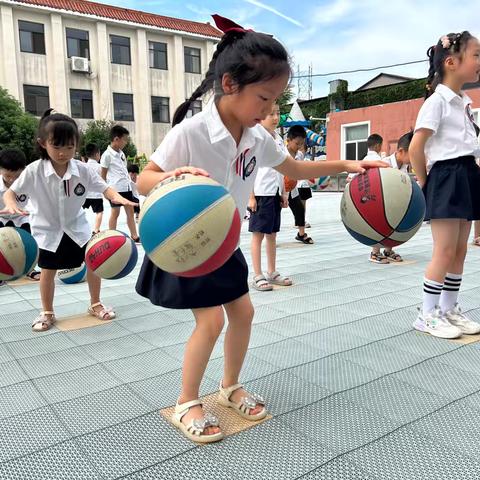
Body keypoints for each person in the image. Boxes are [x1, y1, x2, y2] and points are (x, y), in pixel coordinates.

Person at [134, 13, 385, 444]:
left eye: (275, 102)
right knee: (210, 323)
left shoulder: (256, 137)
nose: (270, 111)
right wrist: (173, 178)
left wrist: (346, 164)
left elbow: (295, 167)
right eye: (264, 100)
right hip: (189, 243)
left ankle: (229, 386)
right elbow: (144, 179)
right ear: (229, 84)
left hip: (225, 243)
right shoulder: (191, 131)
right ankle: (186, 401)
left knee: (244, 313)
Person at [1, 110, 138, 331]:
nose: (63, 153)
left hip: (77, 228)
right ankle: (47, 311)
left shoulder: (82, 170)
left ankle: (95, 303)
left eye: (69, 146)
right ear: (43, 143)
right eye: (57, 146)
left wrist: (118, 197)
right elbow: (11, 193)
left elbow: (105, 188)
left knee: (93, 263)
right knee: (47, 270)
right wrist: (10, 203)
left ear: (76, 144)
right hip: (47, 231)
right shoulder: (34, 171)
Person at [410, 31, 480, 339]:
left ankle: (449, 307)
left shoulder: (464, 101)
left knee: (461, 249)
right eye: (476, 55)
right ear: (452, 62)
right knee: (445, 249)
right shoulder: (436, 101)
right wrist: (428, 185)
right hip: (445, 177)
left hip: (465, 173)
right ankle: (427, 313)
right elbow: (416, 147)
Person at [248, 103, 291, 291]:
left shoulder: (279, 139)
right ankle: (258, 275)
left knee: (272, 234)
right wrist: (251, 197)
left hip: (273, 192)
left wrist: (284, 193)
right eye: (270, 114)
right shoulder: (255, 138)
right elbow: (248, 170)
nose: (275, 117)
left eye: (278, 113)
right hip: (261, 193)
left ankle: (272, 272)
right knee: (258, 235)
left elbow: (283, 169)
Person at [0, 148, 40, 281]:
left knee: (27, 242)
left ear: (24, 170)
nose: (12, 180)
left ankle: (29, 268)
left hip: (21, 217)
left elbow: (37, 201)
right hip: (1, 217)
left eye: (16, 177)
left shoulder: (28, 183)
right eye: (7, 176)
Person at [100, 125, 140, 242]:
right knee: (115, 212)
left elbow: (123, 170)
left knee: (130, 212)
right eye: (125, 139)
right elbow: (103, 174)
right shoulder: (106, 155)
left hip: (126, 187)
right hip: (115, 189)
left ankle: (134, 235)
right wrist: (104, 191)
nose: (126, 142)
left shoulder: (121, 153)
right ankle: (112, 235)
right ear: (116, 139)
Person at [286, 126, 312, 244]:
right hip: (278, 188)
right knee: (273, 214)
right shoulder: (281, 153)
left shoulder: (300, 155)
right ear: (289, 140)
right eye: (297, 143)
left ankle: (301, 234)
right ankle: (270, 237)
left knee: (300, 209)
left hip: (292, 188)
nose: (299, 147)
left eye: (302, 144)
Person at [82, 143, 104, 235]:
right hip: (96, 194)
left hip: (85, 194)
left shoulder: (83, 166)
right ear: (97, 154)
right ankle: (96, 230)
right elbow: (103, 179)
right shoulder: (99, 167)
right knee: (99, 212)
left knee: (79, 210)